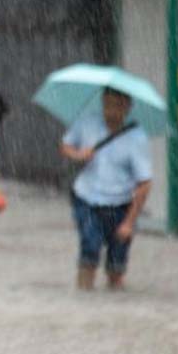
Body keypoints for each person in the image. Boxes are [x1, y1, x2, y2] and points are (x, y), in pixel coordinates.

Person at [60, 87, 153, 290]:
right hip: (86, 197)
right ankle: (83, 297)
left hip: (120, 204)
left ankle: (114, 296)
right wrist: (78, 155)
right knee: (89, 247)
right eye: (108, 104)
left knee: (117, 264)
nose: (111, 110)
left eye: (118, 105)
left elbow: (144, 182)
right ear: (102, 102)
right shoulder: (86, 123)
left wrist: (129, 222)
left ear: (127, 108)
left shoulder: (137, 139)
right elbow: (65, 146)